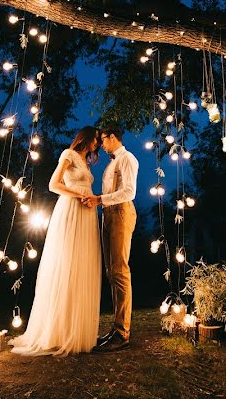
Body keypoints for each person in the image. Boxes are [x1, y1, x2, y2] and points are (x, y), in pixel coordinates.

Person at [9, 126, 102, 356]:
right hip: (71, 210)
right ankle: (57, 331)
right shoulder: (68, 155)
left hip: (87, 214)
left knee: (81, 265)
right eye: (96, 140)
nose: (97, 144)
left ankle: (76, 328)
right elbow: (54, 185)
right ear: (87, 138)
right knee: (66, 264)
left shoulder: (85, 161)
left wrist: (89, 198)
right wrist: (78, 194)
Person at [82, 126, 139, 352]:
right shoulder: (111, 162)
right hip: (107, 215)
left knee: (120, 271)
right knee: (111, 271)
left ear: (112, 137)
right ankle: (116, 329)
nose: (101, 145)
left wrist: (99, 199)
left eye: (103, 140)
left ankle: (122, 333)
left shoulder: (128, 159)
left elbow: (129, 192)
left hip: (121, 213)